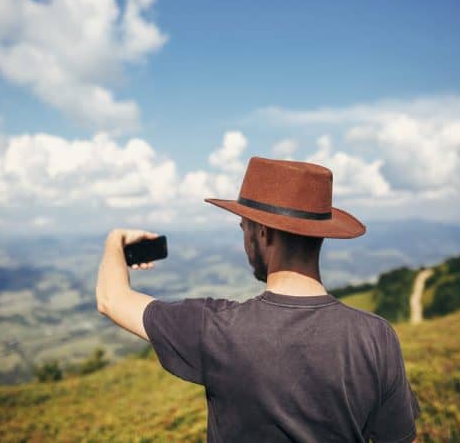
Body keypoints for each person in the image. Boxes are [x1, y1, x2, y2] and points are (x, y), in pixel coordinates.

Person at [96, 156, 420, 442]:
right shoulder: (377, 337)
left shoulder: (216, 329)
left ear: (263, 233)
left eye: (243, 228)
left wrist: (115, 240)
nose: (244, 239)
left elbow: (111, 298)